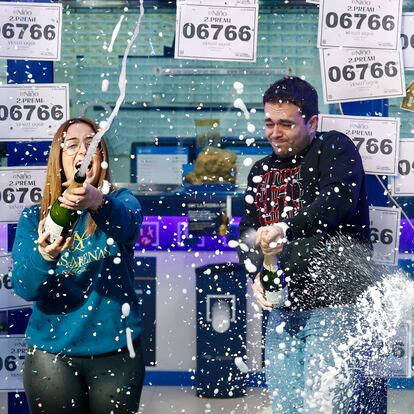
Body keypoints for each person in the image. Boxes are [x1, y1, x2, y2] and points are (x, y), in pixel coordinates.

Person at [238, 77, 382, 413]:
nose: (275, 133)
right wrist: (256, 273)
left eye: (286, 124)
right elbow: (247, 232)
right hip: (283, 313)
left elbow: (335, 205)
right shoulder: (261, 170)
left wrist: (282, 227)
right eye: (269, 123)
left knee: (328, 408)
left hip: (336, 308)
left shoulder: (335, 148)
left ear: (312, 122)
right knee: (288, 407)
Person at [12, 117, 145, 414]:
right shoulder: (35, 219)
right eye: (72, 145)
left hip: (117, 352)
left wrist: (98, 201)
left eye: (91, 144)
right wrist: (45, 256)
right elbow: (23, 286)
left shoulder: (121, 203)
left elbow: (128, 227)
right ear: (59, 160)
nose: (83, 151)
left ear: (102, 158)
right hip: (51, 354)